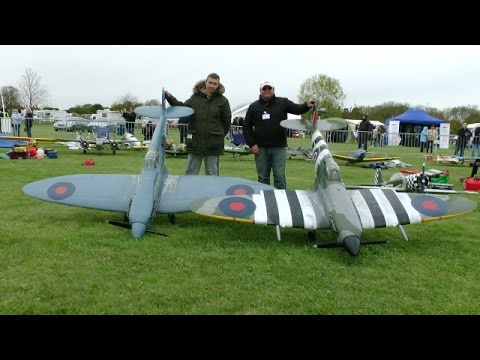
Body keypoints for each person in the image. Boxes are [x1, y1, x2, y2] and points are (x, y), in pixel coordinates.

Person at [243, 80, 316, 189]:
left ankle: (282, 202)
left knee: (279, 177)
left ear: (273, 90)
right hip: (260, 149)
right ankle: (265, 201)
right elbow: (246, 127)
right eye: (264, 88)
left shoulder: (283, 102)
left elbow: (297, 109)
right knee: (263, 178)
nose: (267, 90)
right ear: (260, 90)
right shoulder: (254, 107)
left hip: (279, 148)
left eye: (269, 88)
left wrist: (307, 105)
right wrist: (252, 144)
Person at [165, 73, 231, 176]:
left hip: (213, 145)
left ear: (218, 85)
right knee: (191, 172)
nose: (212, 86)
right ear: (206, 82)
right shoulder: (194, 98)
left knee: (212, 173)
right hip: (195, 142)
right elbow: (182, 108)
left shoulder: (223, 101)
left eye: (215, 83)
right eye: (210, 82)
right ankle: (189, 192)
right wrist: (169, 97)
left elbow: (227, 122)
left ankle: (212, 193)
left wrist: (218, 134)